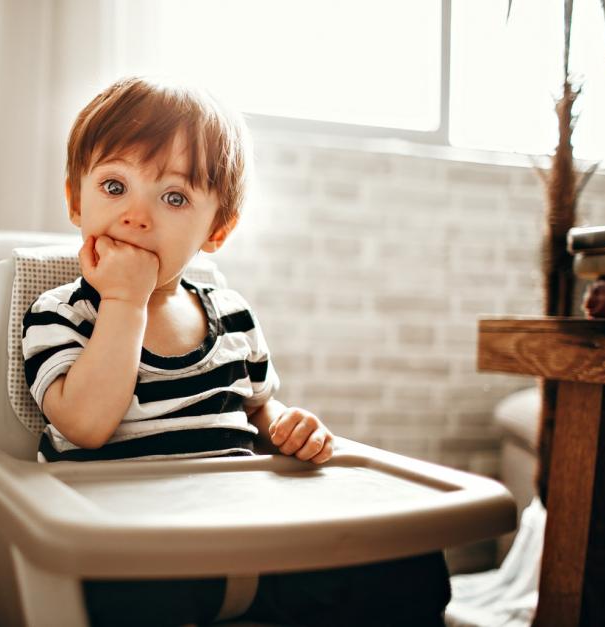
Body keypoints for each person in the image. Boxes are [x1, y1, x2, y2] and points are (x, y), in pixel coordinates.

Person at [22, 76, 450, 626]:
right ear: (74, 200)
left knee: (411, 565)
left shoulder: (231, 315)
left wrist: (285, 425)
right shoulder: (61, 314)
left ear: (217, 229)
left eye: (173, 197)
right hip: (126, 553)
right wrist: (124, 300)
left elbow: (255, 408)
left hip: (244, 538)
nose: (136, 215)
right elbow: (86, 423)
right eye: (113, 187)